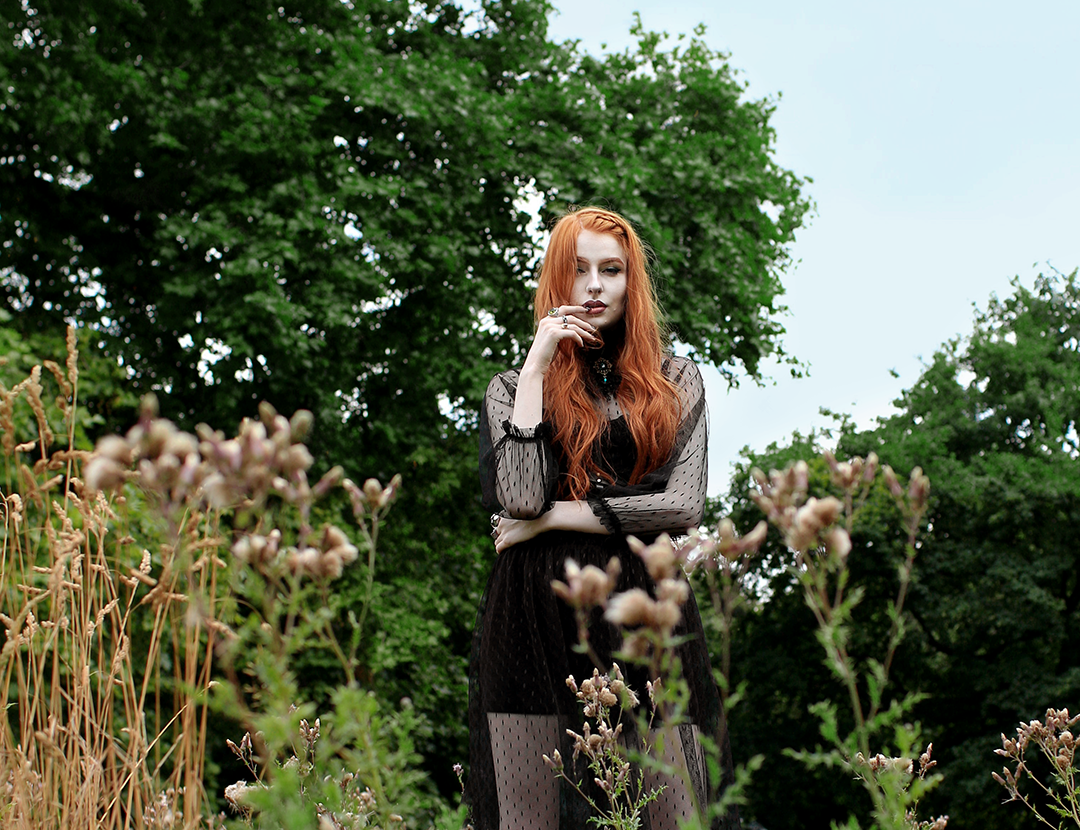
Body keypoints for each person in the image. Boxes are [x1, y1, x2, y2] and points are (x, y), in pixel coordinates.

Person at [466, 207, 739, 830]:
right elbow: (521, 497)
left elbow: (681, 504)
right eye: (578, 269)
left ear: (629, 282)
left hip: (644, 603)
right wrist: (536, 366)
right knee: (526, 822)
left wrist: (552, 520)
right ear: (555, 282)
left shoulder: (676, 381)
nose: (594, 285)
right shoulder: (510, 388)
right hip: (531, 610)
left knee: (676, 816)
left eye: (610, 270)